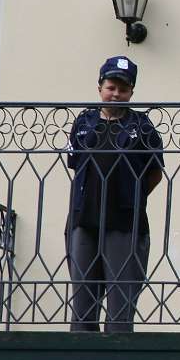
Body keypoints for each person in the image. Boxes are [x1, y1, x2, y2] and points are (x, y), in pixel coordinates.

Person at [66, 55, 164, 332]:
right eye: (111, 87)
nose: (116, 94)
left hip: (124, 223)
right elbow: (75, 165)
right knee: (83, 305)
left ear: (131, 92)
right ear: (100, 87)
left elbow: (155, 172)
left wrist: (132, 197)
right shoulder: (84, 122)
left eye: (123, 89)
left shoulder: (142, 126)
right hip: (84, 220)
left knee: (121, 308)